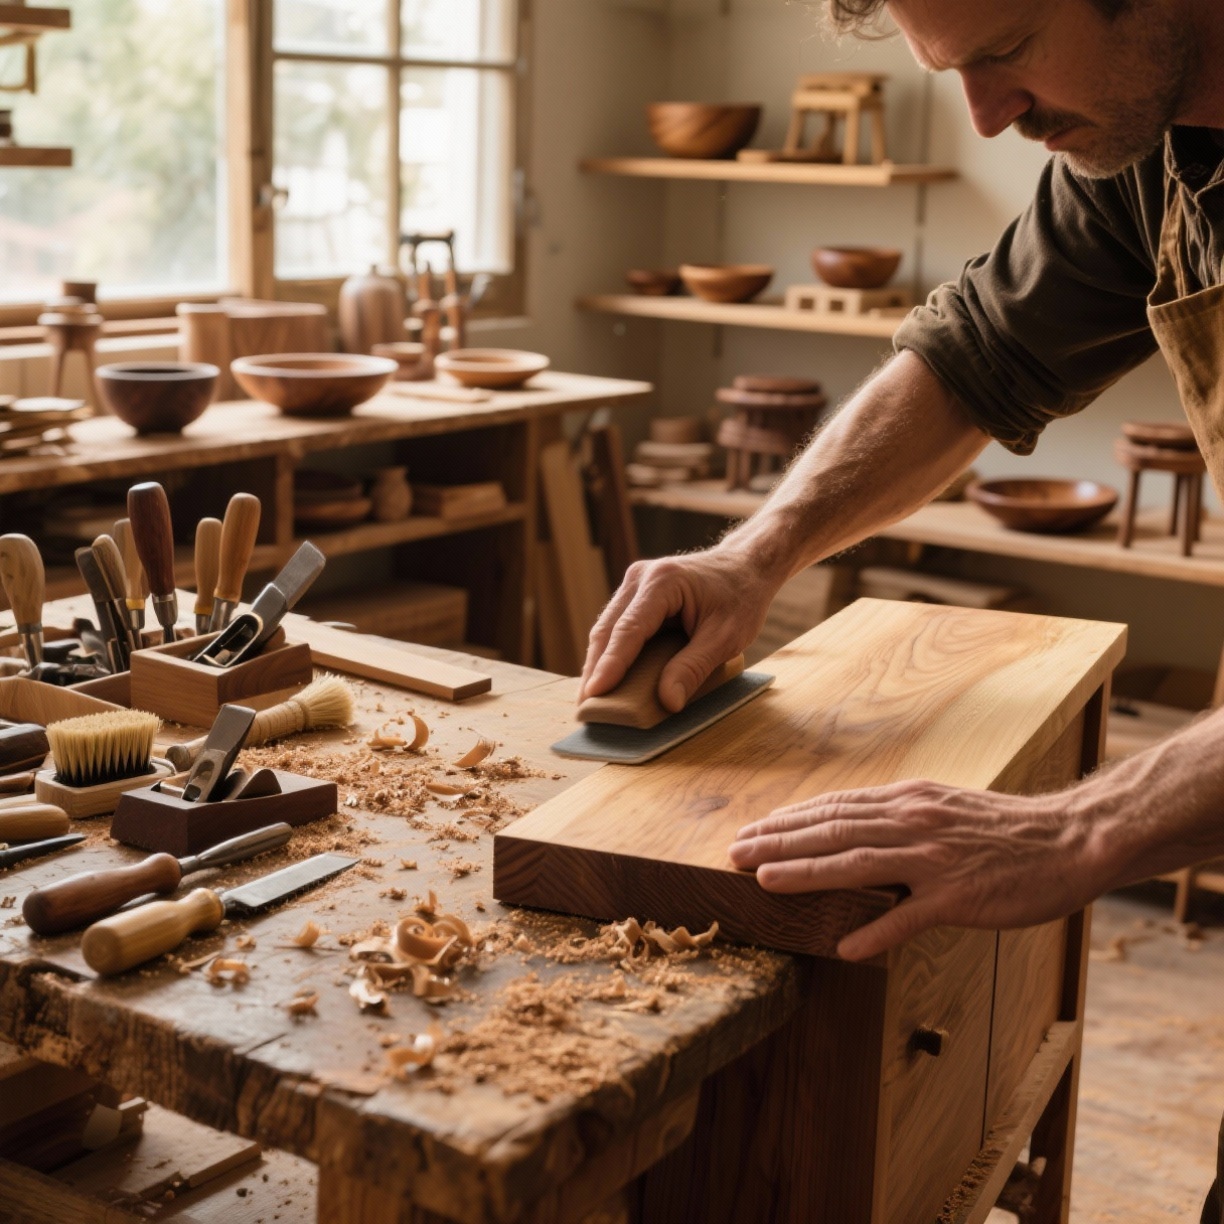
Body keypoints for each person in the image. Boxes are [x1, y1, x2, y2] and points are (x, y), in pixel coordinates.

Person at [581, 3, 1224, 1211]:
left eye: (1006, 49)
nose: (987, 115)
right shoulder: (1152, 152)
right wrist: (757, 553)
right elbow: (979, 354)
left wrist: (1075, 829)